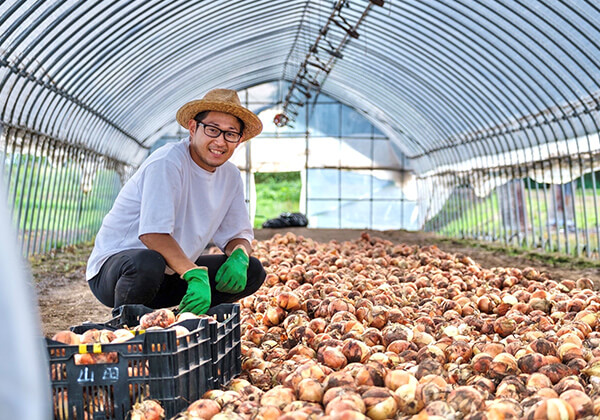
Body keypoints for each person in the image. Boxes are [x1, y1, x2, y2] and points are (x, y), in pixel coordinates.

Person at [85, 89, 266, 315]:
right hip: (120, 273)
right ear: (192, 128)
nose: (220, 141)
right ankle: (128, 327)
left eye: (230, 134)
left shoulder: (230, 176)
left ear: (238, 141)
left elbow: (237, 234)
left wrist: (240, 254)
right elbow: (152, 234)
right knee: (148, 262)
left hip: (173, 273)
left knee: (254, 270)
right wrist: (193, 273)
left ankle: (192, 320)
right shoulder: (167, 162)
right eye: (212, 130)